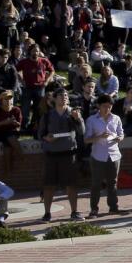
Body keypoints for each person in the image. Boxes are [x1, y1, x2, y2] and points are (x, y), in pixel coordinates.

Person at [38, 87, 84, 221]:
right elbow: (40, 134)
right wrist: (47, 138)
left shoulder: (73, 113)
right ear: (54, 98)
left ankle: (74, 212)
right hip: (51, 154)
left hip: (69, 154)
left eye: (66, 96)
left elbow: (81, 131)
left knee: (71, 184)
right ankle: (47, 213)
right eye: (61, 95)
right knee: (49, 185)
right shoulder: (47, 115)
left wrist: (78, 119)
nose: (64, 97)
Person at [83, 94, 124, 216]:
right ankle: (94, 209)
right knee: (96, 184)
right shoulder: (91, 120)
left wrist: (118, 138)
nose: (107, 109)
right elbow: (86, 139)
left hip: (114, 154)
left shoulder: (116, 118)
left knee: (113, 183)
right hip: (98, 156)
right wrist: (100, 136)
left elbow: (121, 134)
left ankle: (113, 207)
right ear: (98, 106)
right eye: (105, 106)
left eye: (110, 106)